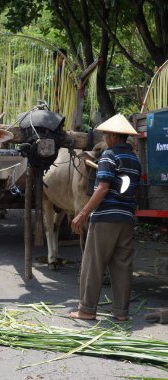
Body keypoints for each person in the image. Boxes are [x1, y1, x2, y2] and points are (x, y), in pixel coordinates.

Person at [70, 114, 141, 321]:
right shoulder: (135, 160)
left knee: (93, 263)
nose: (104, 138)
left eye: (105, 134)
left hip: (105, 219)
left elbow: (102, 188)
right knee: (122, 266)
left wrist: (83, 214)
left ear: (112, 135)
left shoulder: (109, 156)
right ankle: (121, 313)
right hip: (126, 218)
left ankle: (86, 310)